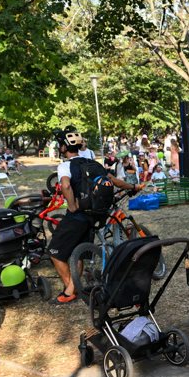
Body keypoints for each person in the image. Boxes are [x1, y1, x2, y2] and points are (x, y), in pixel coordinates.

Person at [48, 127, 144, 304]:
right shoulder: (94, 163)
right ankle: (73, 288)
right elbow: (115, 181)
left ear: (63, 148)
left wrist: (72, 205)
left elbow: (66, 186)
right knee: (80, 250)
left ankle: (70, 289)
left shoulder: (65, 166)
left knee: (54, 252)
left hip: (77, 216)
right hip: (95, 216)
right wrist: (133, 187)